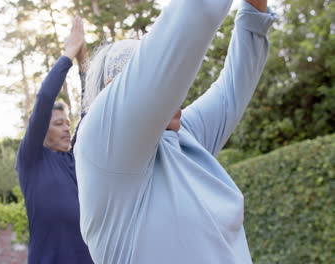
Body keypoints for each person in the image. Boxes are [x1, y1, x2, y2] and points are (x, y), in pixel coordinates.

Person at [74, 0, 276, 263]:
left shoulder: (182, 137)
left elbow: (233, 88)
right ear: (114, 93)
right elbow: (194, 14)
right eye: (164, 80)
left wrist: (254, 9)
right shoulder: (102, 144)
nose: (177, 91)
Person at [15, 16, 93, 264]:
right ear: (40, 130)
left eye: (68, 124)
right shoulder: (32, 159)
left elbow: (90, 111)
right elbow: (45, 98)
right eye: (59, 123)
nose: (67, 128)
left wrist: (84, 66)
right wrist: (69, 53)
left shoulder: (75, 159)